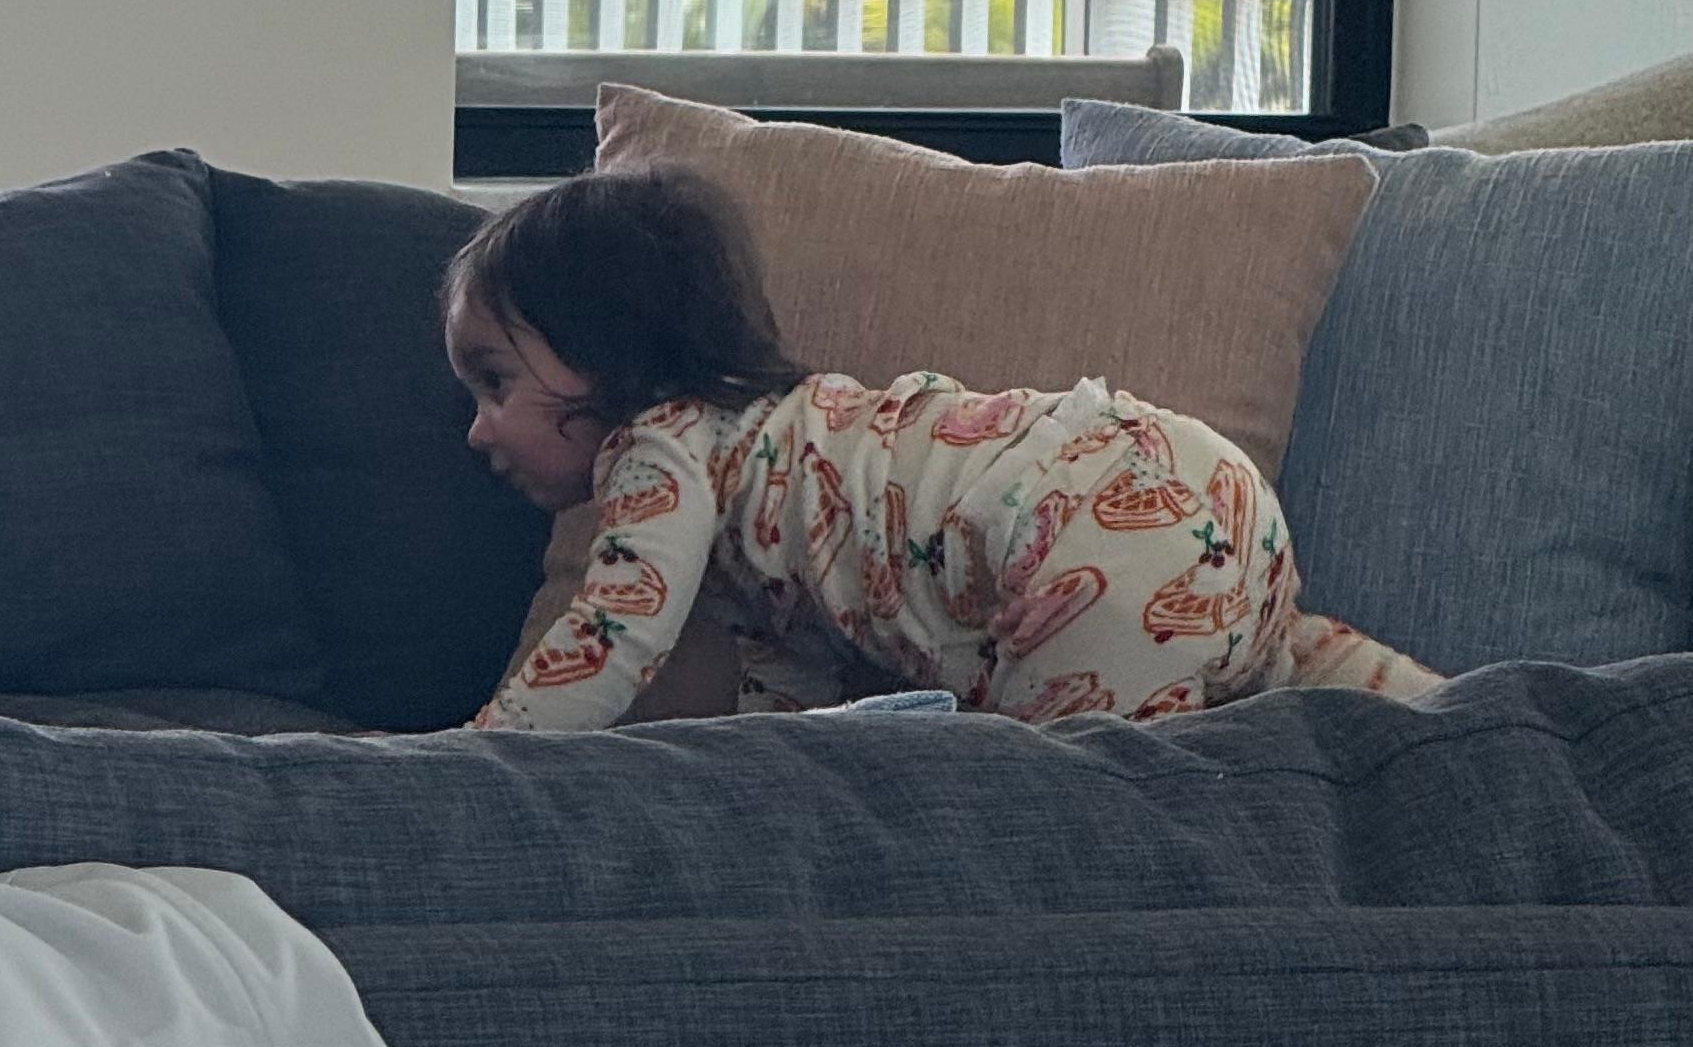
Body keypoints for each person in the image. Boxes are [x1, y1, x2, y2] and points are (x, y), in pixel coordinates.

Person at [446, 165, 1441, 733]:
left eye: (494, 381)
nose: (477, 430)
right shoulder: (778, 468)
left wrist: (466, 764)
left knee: (1064, 816)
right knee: (1292, 659)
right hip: (1202, 484)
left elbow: (613, 639)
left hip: (1094, 534)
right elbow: (798, 695)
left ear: (607, 350)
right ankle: (1478, 720)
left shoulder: (658, 450)